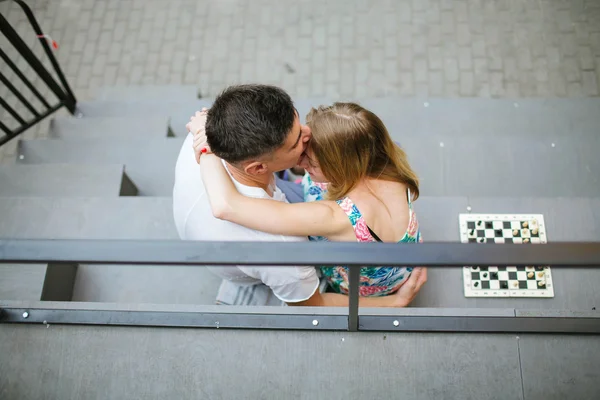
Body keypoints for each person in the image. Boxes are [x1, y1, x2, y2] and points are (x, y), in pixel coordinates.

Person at [173, 84, 426, 307]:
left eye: (310, 160)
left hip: (366, 283)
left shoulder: (330, 216)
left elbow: (226, 205)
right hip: (400, 259)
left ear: (337, 168)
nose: (305, 139)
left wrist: (396, 302)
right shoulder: (387, 163)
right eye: (299, 147)